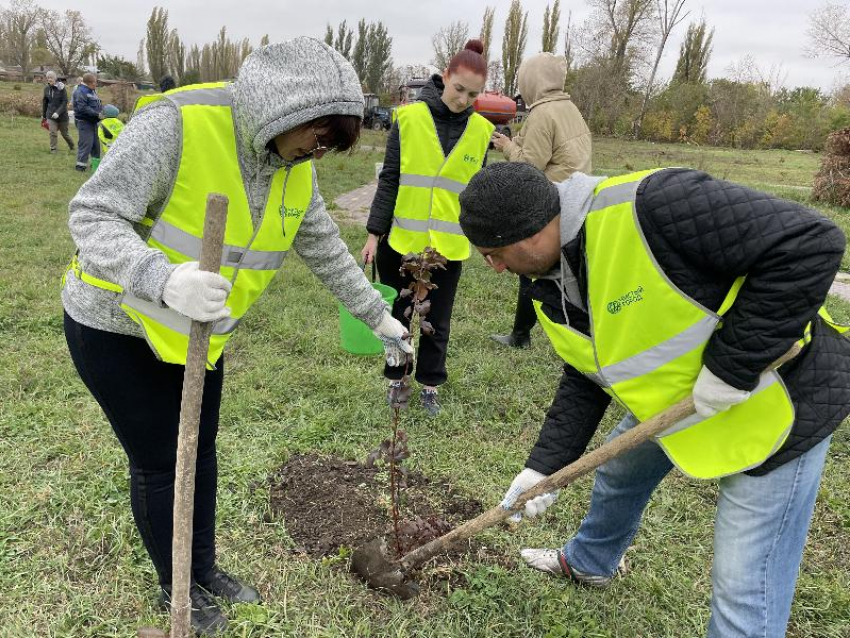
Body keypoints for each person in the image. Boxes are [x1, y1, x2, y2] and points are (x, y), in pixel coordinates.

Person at [62, 38, 412, 636]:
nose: (320, 153)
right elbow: (93, 214)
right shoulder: (179, 123)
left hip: (199, 337)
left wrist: (377, 316)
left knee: (199, 454)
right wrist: (164, 279)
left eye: (333, 144)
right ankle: (178, 591)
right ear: (284, 109)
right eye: (320, 136)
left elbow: (322, 243)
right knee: (160, 462)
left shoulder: (292, 165)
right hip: (117, 324)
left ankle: (201, 570)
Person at [459, 162, 850, 638]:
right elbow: (587, 375)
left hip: (779, 408)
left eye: (496, 253)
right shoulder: (550, 283)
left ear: (534, 230)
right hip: (681, 405)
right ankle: (589, 561)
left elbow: (811, 243)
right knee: (621, 470)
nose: (494, 268)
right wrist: (543, 468)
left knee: (742, 594)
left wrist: (731, 367)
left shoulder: (656, 205)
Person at [360, 40, 493, 416]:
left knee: (438, 319)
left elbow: (477, 195)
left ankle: (430, 386)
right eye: (459, 89)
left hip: (447, 248)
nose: (464, 99)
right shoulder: (409, 119)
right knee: (398, 314)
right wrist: (373, 233)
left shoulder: (481, 132)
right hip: (401, 241)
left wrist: (485, 243)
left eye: (473, 94)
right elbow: (389, 180)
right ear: (445, 77)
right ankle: (396, 378)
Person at [489, 53, 592, 349]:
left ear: (530, 80)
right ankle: (577, 331)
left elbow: (529, 168)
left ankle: (521, 336)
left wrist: (508, 145)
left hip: (549, 204)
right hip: (577, 200)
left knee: (529, 268)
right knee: (571, 274)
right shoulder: (569, 109)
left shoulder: (542, 114)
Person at [71, 72, 102, 171]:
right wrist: (97, 114)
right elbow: (83, 108)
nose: (96, 84)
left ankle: (95, 167)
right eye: (95, 82)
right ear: (90, 82)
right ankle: (80, 167)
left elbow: (97, 105)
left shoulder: (92, 91)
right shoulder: (80, 91)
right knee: (86, 144)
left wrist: (102, 112)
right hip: (84, 122)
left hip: (94, 122)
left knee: (96, 145)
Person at [42, 71, 75, 153]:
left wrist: (58, 112)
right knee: (53, 132)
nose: (50, 79)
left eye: (51, 77)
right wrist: (44, 115)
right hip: (50, 115)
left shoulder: (61, 88)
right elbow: (45, 102)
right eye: (48, 77)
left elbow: (64, 102)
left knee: (65, 134)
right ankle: (53, 149)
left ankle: (72, 146)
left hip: (62, 116)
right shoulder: (46, 89)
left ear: (55, 78)